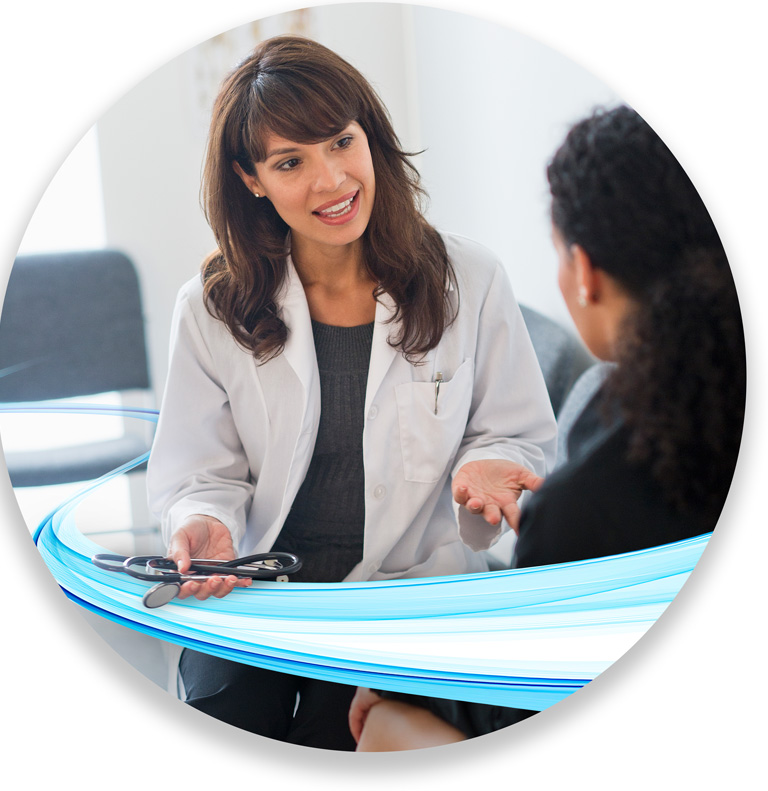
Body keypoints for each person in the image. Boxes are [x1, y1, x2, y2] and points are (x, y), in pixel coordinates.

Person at [146, 35, 557, 750]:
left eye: (341, 141)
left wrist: (487, 464)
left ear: (370, 134)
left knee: (341, 739)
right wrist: (204, 516)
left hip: (405, 603)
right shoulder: (212, 306)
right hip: (258, 594)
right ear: (251, 179)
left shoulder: (471, 279)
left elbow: (514, 432)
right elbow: (198, 470)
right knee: (221, 726)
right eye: (290, 162)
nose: (332, 180)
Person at [349, 104, 747, 750]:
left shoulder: (580, 507)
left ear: (584, 272)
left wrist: (400, 681)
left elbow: (519, 709)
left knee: (382, 724)